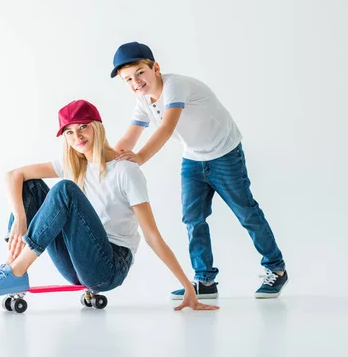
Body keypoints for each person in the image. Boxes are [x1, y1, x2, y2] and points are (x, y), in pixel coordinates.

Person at [0, 99, 218, 311]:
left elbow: (152, 236)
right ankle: (12, 268)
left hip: (109, 267)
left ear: (98, 128)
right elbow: (14, 175)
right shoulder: (73, 165)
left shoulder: (126, 171)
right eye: (69, 132)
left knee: (65, 190)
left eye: (83, 128)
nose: (77, 137)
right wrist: (20, 218)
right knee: (30, 185)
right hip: (77, 264)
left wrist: (188, 286)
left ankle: (15, 272)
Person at [110, 42, 288, 299]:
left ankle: (277, 269)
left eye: (140, 72)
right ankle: (204, 280)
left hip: (225, 154)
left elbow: (166, 128)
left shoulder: (175, 86)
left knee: (246, 213)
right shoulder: (143, 101)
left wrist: (139, 158)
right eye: (128, 79)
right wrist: (105, 161)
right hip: (193, 158)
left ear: (155, 68)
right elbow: (129, 138)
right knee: (193, 219)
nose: (136, 82)